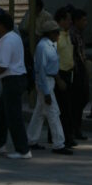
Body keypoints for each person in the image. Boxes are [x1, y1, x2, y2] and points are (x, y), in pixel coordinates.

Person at [0, 10, 31, 159]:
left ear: (2, 26)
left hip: (11, 79)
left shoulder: (6, 40)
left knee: (14, 116)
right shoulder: (15, 37)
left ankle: (23, 149)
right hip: (17, 77)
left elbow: (3, 65)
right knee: (1, 112)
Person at [27, 14, 71, 154]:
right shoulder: (43, 47)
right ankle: (59, 144)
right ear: (50, 33)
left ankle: (31, 139)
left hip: (49, 81)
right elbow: (40, 71)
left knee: (39, 113)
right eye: (56, 32)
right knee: (53, 113)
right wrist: (46, 92)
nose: (58, 34)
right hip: (45, 82)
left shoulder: (50, 45)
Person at [54, 7, 77, 147]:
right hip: (60, 74)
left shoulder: (68, 35)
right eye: (68, 19)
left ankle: (64, 135)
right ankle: (65, 137)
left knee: (67, 107)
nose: (70, 22)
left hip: (69, 73)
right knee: (63, 109)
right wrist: (58, 78)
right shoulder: (57, 37)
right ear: (61, 20)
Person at [70, 8, 90, 140]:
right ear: (76, 21)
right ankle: (74, 129)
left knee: (83, 98)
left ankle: (76, 128)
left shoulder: (79, 33)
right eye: (83, 20)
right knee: (76, 101)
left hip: (81, 69)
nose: (86, 23)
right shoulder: (72, 34)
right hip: (75, 70)